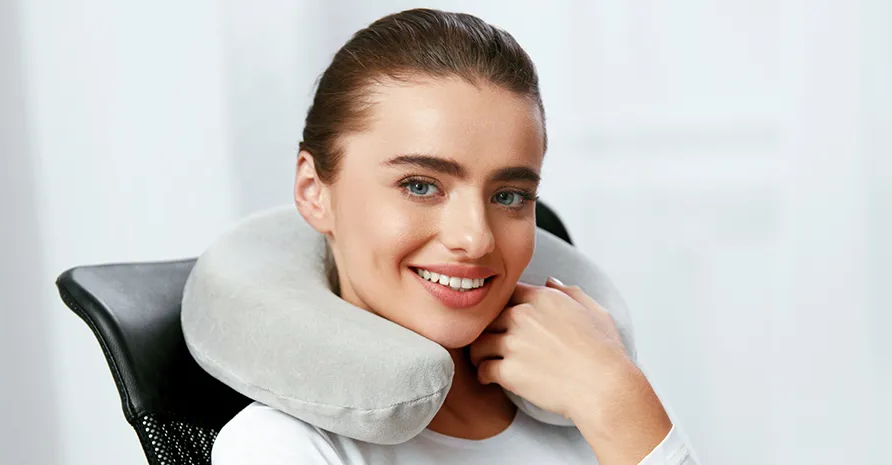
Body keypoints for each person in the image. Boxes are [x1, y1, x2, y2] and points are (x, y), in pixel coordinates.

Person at [213, 8, 693, 465]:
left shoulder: (601, 388)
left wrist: (617, 402)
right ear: (313, 191)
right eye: (420, 186)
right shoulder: (278, 446)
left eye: (509, 196)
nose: (475, 238)